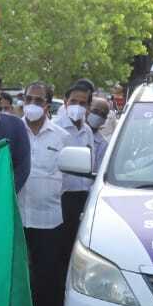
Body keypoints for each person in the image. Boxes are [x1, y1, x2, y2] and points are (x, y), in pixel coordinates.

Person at [18, 82, 69, 306]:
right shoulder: (13, 131)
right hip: (16, 215)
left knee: (45, 276)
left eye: (38, 100)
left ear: (48, 105)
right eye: (29, 99)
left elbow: (68, 179)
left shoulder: (61, 137)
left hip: (48, 218)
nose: (32, 104)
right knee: (17, 275)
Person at [59, 78, 97, 256]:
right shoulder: (57, 129)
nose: (77, 106)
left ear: (88, 107)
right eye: (73, 101)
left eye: (82, 103)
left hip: (83, 196)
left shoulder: (87, 131)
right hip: (62, 196)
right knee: (62, 246)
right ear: (65, 102)